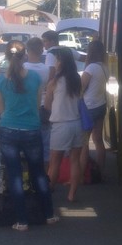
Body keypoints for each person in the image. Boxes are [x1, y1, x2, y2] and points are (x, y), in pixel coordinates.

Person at [0, 40, 57, 231]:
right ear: (25, 55)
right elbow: (37, 106)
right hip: (31, 129)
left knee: (15, 175)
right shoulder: (36, 79)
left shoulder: (0, 81)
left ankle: (22, 220)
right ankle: (49, 214)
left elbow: (1, 110)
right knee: (38, 172)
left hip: (8, 130)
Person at [44, 47, 84, 201]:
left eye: (57, 59)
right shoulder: (77, 79)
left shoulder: (54, 81)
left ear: (60, 61)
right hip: (76, 123)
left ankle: (49, 189)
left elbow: (47, 105)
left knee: (55, 162)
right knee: (75, 160)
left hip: (60, 125)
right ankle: (72, 194)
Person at [80, 40, 108, 178]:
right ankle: (100, 171)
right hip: (101, 105)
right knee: (98, 139)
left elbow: (81, 87)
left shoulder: (90, 68)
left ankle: (82, 175)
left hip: (89, 107)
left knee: (84, 142)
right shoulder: (104, 66)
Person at [23, 37, 51, 164]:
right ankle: (45, 176)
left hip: (26, 109)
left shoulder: (22, 68)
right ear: (42, 50)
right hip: (43, 108)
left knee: (27, 146)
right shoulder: (46, 70)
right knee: (45, 144)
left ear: (27, 50)